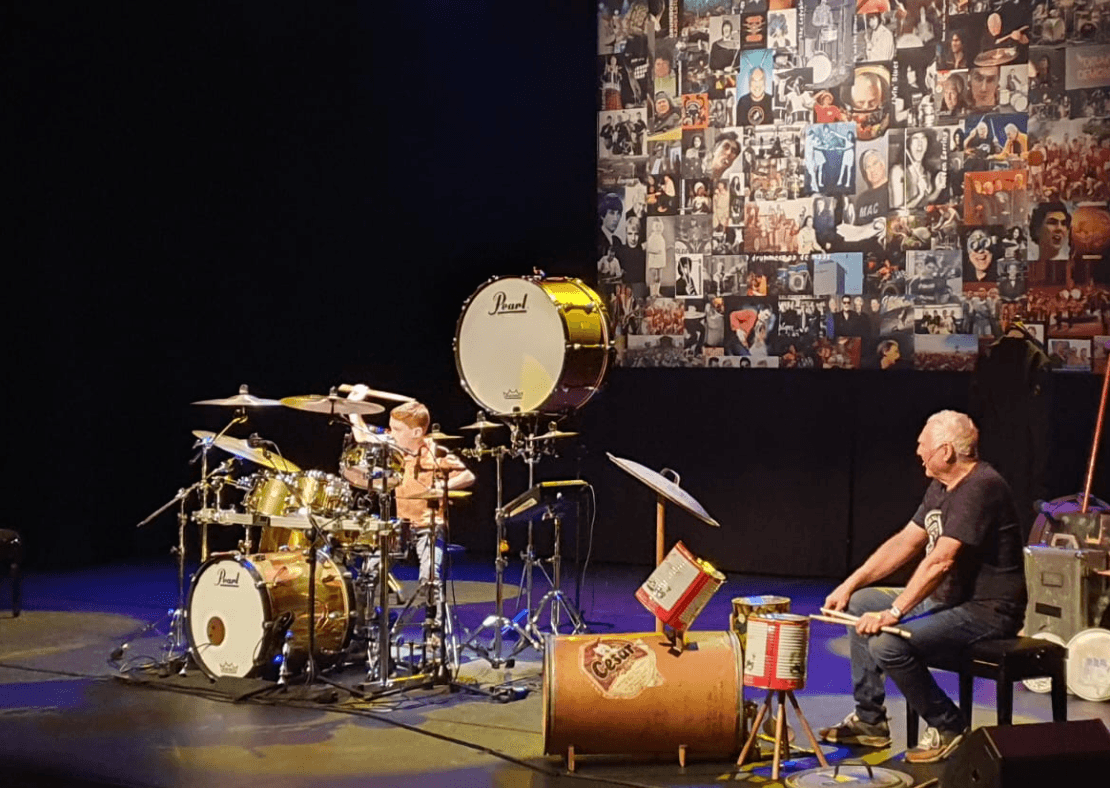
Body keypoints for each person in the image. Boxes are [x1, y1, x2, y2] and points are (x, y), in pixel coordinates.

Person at [819, 411, 1026, 764]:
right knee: (859, 602)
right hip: (951, 600)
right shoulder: (942, 487)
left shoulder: (982, 487)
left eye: (923, 445)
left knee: (887, 644)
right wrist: (849, 583)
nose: (918, 452)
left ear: (945, 451)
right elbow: (906, 542)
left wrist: (895, 612)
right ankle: (870, 721)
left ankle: (949, 726)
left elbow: (941, 560)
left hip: (987, 611)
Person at [345, 392, 476, 624]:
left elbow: (468, 474)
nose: (391, 433)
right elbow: (362, 436)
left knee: (430, 579)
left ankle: (433, 627)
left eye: (397, 429)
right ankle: (364, 623)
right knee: (368, 574)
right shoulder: (393, 446)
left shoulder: (435, 452)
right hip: (400, 526)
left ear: (416, 433)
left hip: (429, 526)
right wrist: (355, 409)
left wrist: (443, 485)